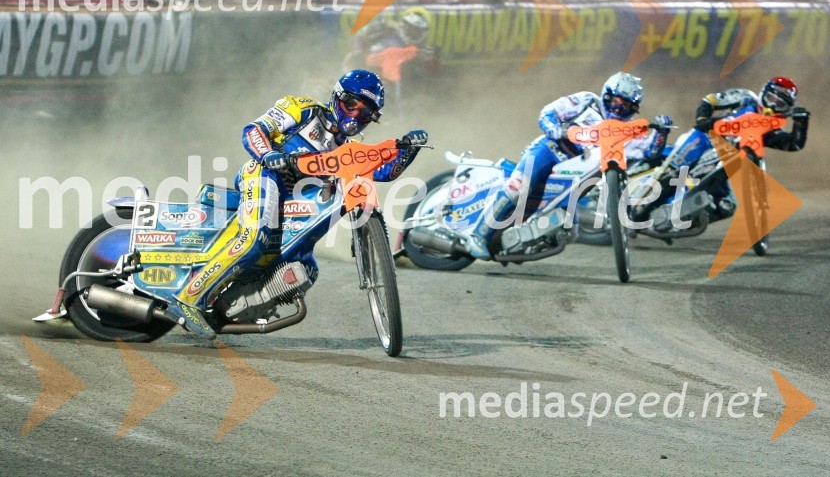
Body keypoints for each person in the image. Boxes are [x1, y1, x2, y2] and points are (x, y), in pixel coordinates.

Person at [168, 70, 428, 338]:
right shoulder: (302, 109)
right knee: (256, 238)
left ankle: (226, 309)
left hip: (293, 199)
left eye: (364, 112)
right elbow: (254, 130)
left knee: (306, 269)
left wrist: (409, 150)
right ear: (337, 98)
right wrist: (269, 154)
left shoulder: (349, 149)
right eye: (351, 104)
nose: (354, 115)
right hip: (264, 174)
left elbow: (383, 173)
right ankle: (187, 299)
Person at [466, 71, 673, 259]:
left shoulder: (625, 130)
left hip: (577, 176)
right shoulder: (587, 101)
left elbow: (650, 151)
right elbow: (548, 112)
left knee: (570, 232)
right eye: (617, 102)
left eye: (626, 106)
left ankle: (521, 242)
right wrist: (555, 129)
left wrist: (662, 133)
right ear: (607, 95)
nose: (619, 109)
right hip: (550, 150)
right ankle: (478, 234)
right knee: (517, 187)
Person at [673, 75, 809, 219]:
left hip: (727, 160)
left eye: (779, 105)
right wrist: (703, 120)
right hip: (705, 139)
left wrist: (801, 123)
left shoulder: (770, 128)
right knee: (674, 168)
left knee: (726, 207)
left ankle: (683, 219)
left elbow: (793, 144)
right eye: (771, 99)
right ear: (764, 92)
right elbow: (710, 100)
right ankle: (660, 185)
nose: (772, 106)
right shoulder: (746, 98)